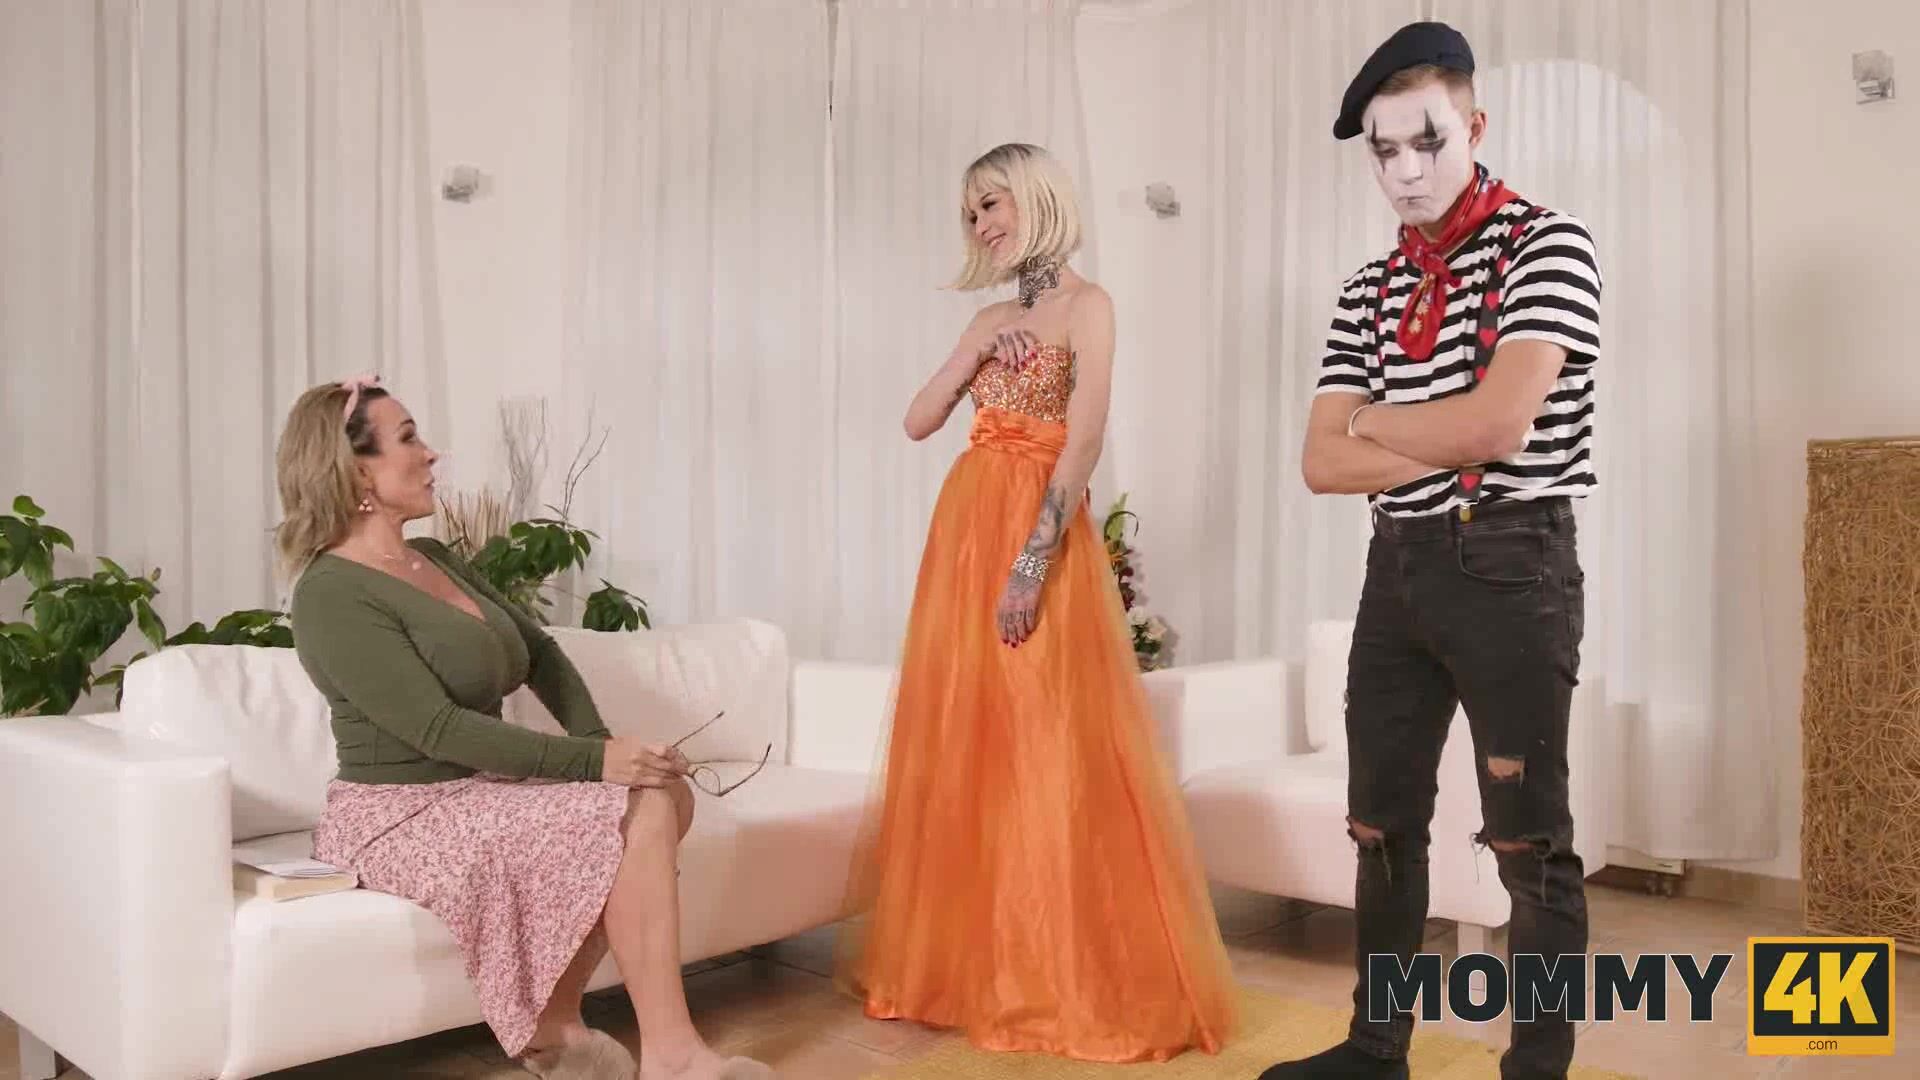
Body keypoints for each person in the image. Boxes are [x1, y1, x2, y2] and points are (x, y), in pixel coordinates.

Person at [833, 142, 1238, 1063]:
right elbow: (918, 420)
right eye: (971, 211)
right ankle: (970, 971)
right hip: (963, 534)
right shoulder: (987, 318)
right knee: (966, 737)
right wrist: (976, 352)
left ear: (1038, 198)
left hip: (1036, 538)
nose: (981, 223)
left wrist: (1031, 562)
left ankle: (1055, 975)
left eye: (993, 203)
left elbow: (1084, 442)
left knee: (1046, 744)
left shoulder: (1090, 307)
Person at [1260, 22, 1602, 1080]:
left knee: (1527, 842)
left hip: (1512, 562)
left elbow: (1497, 427)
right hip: (1396, 568)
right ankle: (1376, 1052)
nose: (1405, 171)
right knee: (1379, 824)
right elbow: (1320, 463)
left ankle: (1536, 1068)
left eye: (1427, 142)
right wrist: (1432, 432)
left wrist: (1376, 422)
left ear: (1475, 127)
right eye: (1383, 151)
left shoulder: (1548, 245)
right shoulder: (1370, 287)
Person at [276, 375, 774, 1080]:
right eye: (409, 438)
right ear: (357, 471)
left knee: (664, 793)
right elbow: (438, 729)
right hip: (398, 812)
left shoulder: (436, 559)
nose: (431, 453)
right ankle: (674, 1056)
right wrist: (597, 766)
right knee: (635, 808)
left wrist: (600, 745)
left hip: (478, 785)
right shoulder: (329, 593)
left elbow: (540, 651)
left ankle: (555, 1028)